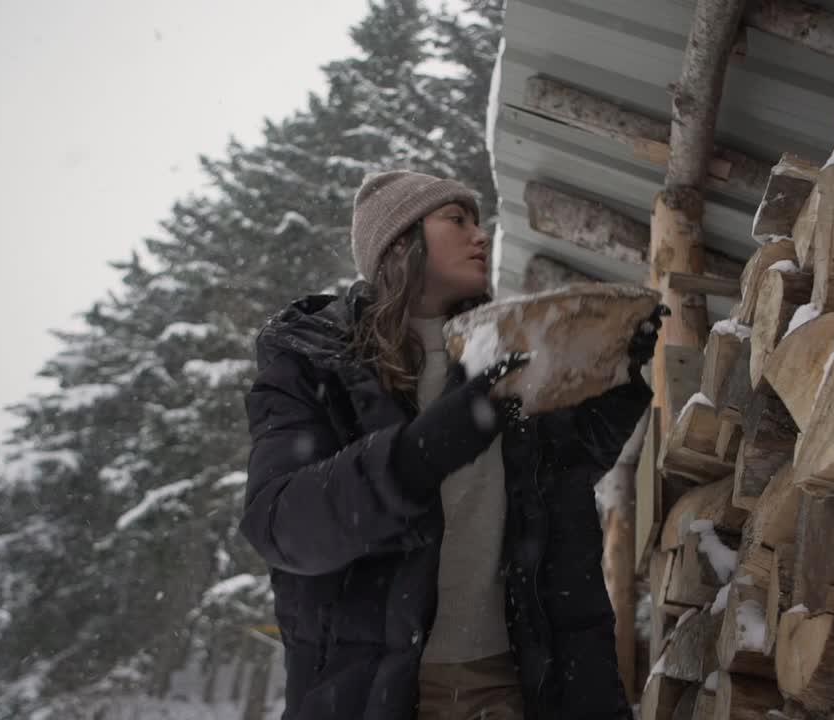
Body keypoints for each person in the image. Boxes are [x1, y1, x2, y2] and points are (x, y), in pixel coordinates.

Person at [240, 170, 664, 720]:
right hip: (384, 693)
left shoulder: (502, 348)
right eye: (456, 220)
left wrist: (620, 381)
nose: (481, 235)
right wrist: (418, 452)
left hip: (520, 682)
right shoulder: (313, 363)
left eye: (478, 219)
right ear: (400, 243)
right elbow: (283, 525)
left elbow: (563, 474)